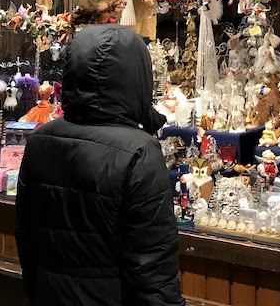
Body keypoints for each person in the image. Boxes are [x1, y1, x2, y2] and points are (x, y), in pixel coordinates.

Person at [16, 24, 183, 305]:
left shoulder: (40, 140)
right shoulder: (140, 152)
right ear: (137, 79)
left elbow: (26, 239)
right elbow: (153, 269)